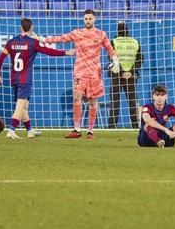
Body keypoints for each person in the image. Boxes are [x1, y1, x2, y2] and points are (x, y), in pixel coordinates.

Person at [43, 9, 120, 139]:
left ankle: (90, 131)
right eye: (85, 19)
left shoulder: (101, 34)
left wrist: (116, 61)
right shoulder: (77, 33)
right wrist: (43, 39)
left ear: (94, 19)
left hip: (94, 73)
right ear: (83, 19)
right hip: (80, 71)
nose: (87, 21)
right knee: (76, 97)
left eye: (90, 19)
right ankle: (77, 129)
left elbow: (110, 49)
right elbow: (61, 39)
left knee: (92, 101)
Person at [0, 18, 75, 139]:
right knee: (20, 106)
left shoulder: (11, 42)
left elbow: (0, 58)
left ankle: (30, 130)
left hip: (14, 79)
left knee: (24, 106)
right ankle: (11, 131)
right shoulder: (33, 43)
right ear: (31, 28)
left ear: (21, 28)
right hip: (25, 79)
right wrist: (66, 53)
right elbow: (49, 51)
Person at [107, 22, 143, 129]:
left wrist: (122, 72)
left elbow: (111, 59)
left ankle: (111, 127)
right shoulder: (135, 42)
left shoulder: (114, 42)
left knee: (115, 102)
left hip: (117, 75)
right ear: (128, 30)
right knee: (132, 102)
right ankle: (135, 127)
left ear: (118, 31)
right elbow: (140, 59)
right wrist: (131, 71)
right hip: (131, 76)